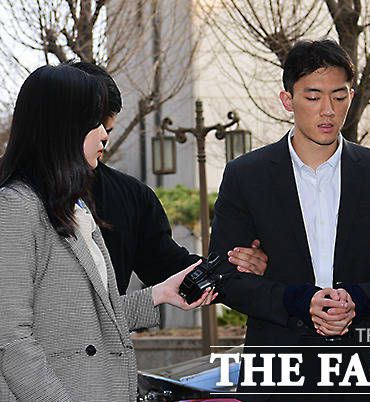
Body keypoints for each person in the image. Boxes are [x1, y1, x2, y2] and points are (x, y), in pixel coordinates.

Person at [207, 39, 370, 402]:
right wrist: (298, 301)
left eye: (339, 97)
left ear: (351, 97)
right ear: (287, 99)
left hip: (368, 371)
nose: (328, 110)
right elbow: (224, 276)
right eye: (313, 97)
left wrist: (360, 299)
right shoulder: (246, 176)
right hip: (278, 371)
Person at [0, 64, 215, 402]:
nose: (104, 134)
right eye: (94, 122)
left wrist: (159, 294)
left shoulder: (76, 208)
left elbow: (87, 321)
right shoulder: (16, 207)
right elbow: (10, 341)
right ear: (61, 126)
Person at [68, 62, 267, 294]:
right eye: (94, 126)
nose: (104, 137)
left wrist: (236, 268)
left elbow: (169, 268)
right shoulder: (30, 198)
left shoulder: (130, 196)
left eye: (108, 130)